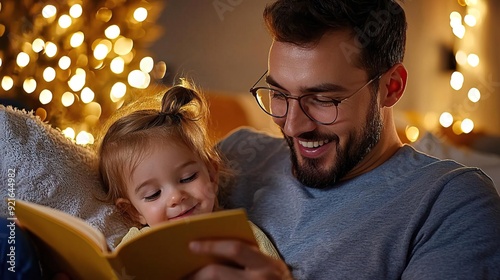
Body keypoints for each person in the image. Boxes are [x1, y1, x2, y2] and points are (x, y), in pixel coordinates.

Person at [187, 0, 500, 279]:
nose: (293, 126)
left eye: (323, 99)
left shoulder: (452, 202)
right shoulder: (230, 159)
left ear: (391, 87)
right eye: (279, 94)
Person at [97, 82, 280, 259]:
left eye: (187, 177)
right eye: (153, 194)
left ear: (212, 175)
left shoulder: (244, 236)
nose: (176, 197)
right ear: (132, 211)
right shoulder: (135, 246)